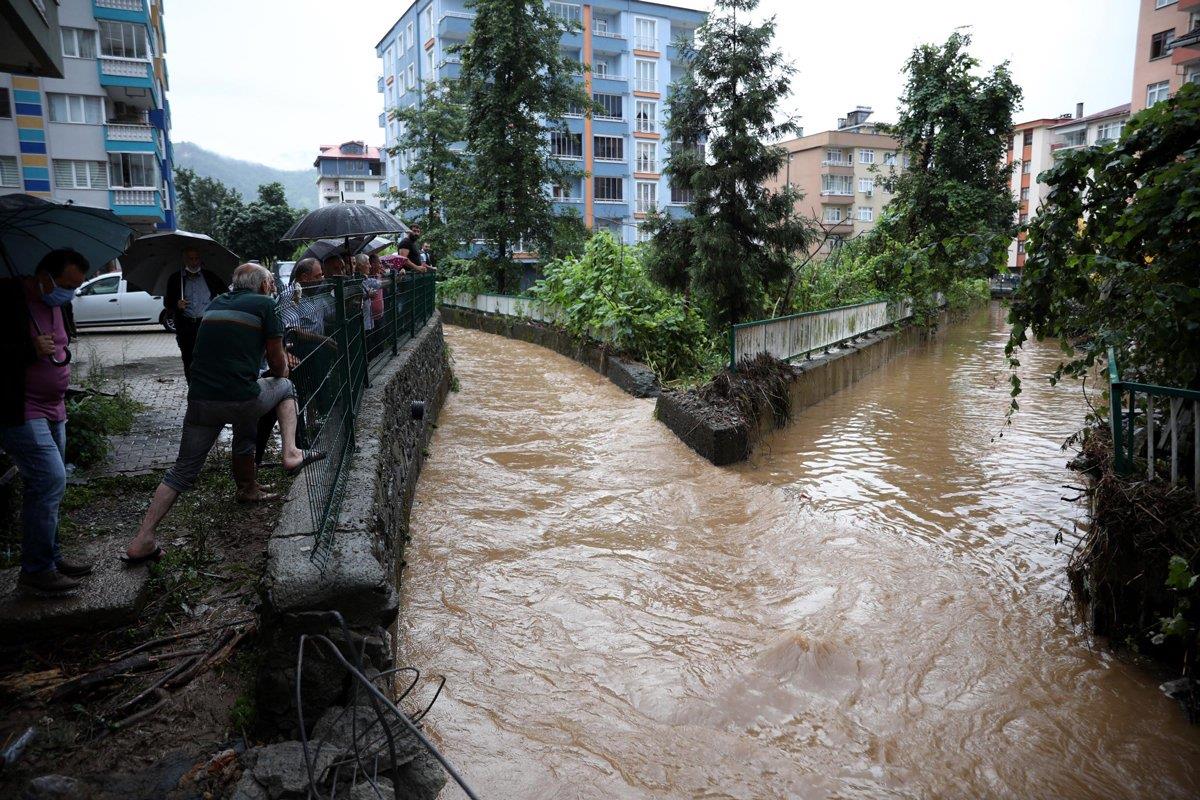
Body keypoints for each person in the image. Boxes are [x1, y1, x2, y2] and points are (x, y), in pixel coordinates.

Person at [122, 264, 324, 563]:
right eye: (269, 282)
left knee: (183, 470)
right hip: (240, 398)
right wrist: (278, 372)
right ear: (264, 285)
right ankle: (292, 452)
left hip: (201, 401)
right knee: (284, 386)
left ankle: (143, 538)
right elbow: (277, 361)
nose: (271, 286)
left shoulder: (216, 303)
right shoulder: (267, 305)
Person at [0, 249, 94, 596]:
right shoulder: (8, 298)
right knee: (50, 478)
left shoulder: (57, 302)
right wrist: (27, 349)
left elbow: (59, 344)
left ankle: (50, 557)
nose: (68, 293)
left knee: (46, 486)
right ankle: (36, 572)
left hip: (55, 407)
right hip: (19, 407)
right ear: (44, 277)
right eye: (66, 285)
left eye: (75, 287)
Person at [164, 248, 227, 382]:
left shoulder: (210, 276)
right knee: (189, 360)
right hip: (186, 327)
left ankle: (207, 389)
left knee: (209, 358)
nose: (194, 262)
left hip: (207, 325)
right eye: (190, 259)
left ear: (200, 259)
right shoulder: (176, 279)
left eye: (196, 258)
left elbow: (225, 294)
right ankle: (192, 390)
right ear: (185, 260)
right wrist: (177, 305)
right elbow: (167, 303)